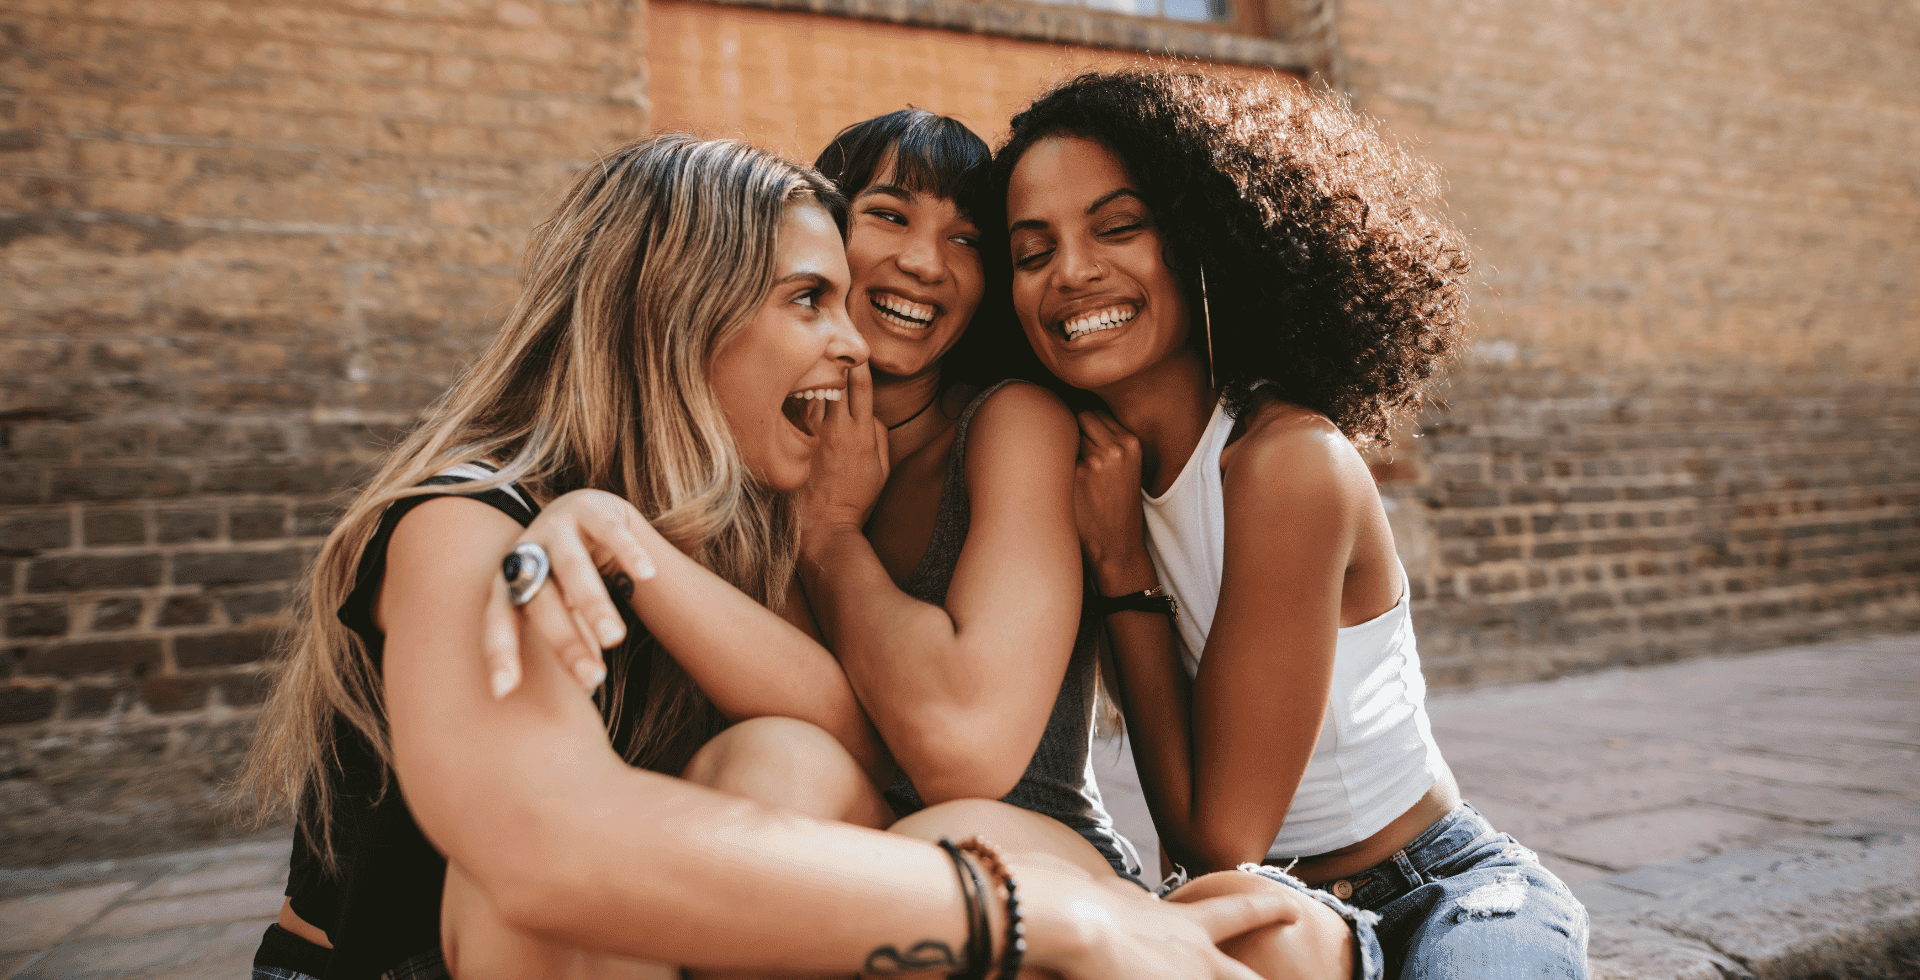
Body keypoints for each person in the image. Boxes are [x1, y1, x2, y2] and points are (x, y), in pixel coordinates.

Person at [238, 134, 1300, 980]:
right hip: (420, 961)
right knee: (559, 905)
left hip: (610, 934)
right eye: (808, 300)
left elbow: (847, 736)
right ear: (675, 309)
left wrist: (634, 540)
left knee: (786, 764)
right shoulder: (464, 523)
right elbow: (548, 849)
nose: (852, 346)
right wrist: (1041, 917)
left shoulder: (711, 522)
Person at [496, 111, 1369, 979]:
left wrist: (831, 538)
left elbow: (967, 750)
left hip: (1026, 843)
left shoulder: (1012, 425)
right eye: (889, 214)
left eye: (968, 239)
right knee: (767, 765)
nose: (926, 261)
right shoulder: (773, 438)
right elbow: (815, 714)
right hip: (858, 830)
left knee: (914, 836)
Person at [989, 69, 1591, 979]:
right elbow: (1214, 870)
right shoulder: (1086, 470)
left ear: (1202, 243)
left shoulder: (1285, 462)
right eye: (1033, 251)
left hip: (1443, 891)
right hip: (1274, 913)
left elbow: (1217, 838)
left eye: (1118, 227)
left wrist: (1121, 571)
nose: (1071, 272)